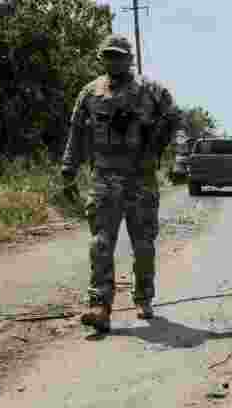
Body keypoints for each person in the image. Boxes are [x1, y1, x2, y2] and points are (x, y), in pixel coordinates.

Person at [61, 34, 182, 333]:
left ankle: (144, 297)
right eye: (109, 56)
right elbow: (76, 133)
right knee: (100, 243)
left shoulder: (152, 91)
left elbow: (179, 123)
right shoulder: (90, 92)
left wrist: (182, 160)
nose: (114, 61)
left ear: (130, 59)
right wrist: (68, 168)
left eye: (119, 56)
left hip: (141, 179)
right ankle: (99, 305)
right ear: (102, 58)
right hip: (103, 179)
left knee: (143, 245)